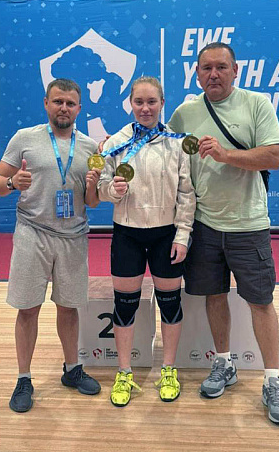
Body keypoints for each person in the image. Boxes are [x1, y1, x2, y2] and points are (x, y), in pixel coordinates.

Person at [168, 43, 279, 425]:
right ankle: (224, 363)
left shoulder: (256, 104)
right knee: (214, 296)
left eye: (222, 67)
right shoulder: (184, 113)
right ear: (196, 73)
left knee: (261, 302)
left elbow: (274, 157)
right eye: (206, 68)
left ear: (236, 70)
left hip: (249, 225)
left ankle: (272, 381)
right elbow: (160, 150)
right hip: (204, 224)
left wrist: (226, 155)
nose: (214, 74)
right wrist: (114, 150)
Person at [0, 78, 102, 413]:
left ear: (79, 108)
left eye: (70, 103)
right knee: (28, 308)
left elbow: (92, 202)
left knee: (69, 307)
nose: (63, 108)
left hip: (73, 237)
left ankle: (72, 369)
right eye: (57, 102)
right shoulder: (24, 139)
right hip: (32, 233)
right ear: (46, 103)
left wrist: (93, 185)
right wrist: (12, 182)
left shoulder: (90, 147)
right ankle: (23, 378)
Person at [97, 76, 196, 407]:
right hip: (127, 234)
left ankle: (168, 369)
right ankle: (124, 372)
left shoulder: (177, 144)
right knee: (124, 306)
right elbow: (100, 188)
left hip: (166, 235)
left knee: (170, 303)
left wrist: (182, 235)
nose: (145, 108)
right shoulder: (116, 142)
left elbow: (186, 194)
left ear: (162, 103)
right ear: (130, 103)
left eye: (151, 101)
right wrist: (112, 191)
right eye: (139, 101)